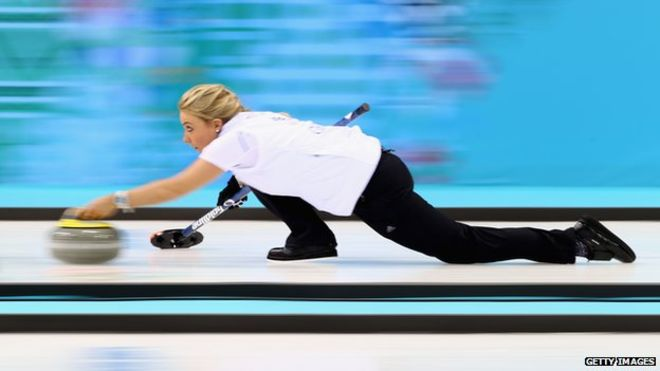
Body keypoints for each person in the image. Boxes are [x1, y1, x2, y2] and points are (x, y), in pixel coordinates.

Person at [75, 84, 637, 264]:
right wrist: (230, 186)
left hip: (374, 188)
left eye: (188, 127)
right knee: (256, 178)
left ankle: (575, 241)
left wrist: (114, 202)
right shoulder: (253, 126)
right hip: (374, 164)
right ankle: (313, 237)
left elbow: (176, 187)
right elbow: (259, 169)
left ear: (214, 123)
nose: (185, 136)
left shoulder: (236, 137)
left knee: (458, 248)